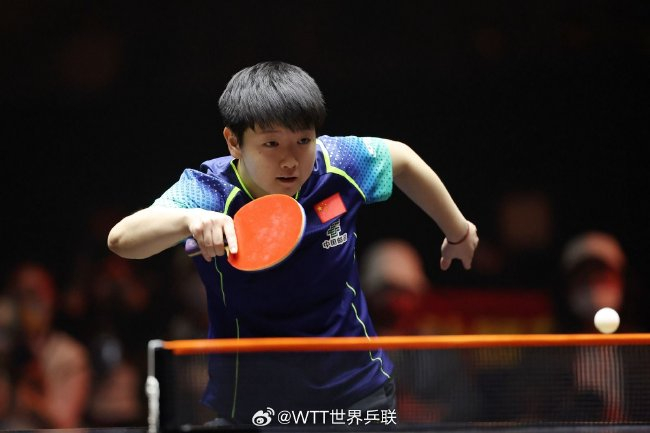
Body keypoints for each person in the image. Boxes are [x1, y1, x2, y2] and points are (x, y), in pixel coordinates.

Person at [107, 61, 478, 425]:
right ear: (234, 142)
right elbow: (122, 239)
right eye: (271, 144)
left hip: (356, 392)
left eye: (303, 140)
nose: (290, 161)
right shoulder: (209, 191)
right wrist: (188, 219)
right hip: (255, 403)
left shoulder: (338, 165)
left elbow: (402, 159)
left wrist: (458, 231)